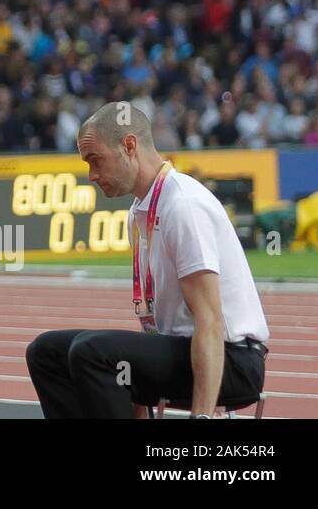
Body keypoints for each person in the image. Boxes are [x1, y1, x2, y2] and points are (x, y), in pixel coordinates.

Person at [25, 104, 269, 418]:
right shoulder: (140, 212)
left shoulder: (183, 205)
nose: (91, 176)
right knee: (46, 352)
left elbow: (210, 320)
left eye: (94, 160)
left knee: (91, 352)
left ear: (129, 146)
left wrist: (203, 416)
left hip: (232, 361)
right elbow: (151, 331)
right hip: (181, 351)